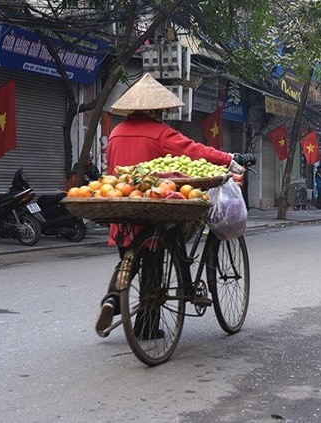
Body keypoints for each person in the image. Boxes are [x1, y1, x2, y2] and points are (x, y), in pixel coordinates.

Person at [95, 74, 245, 338]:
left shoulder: (116, 133)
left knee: (129, 262)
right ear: (156, 110)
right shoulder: (160, 133)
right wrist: (228, 159)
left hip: (123, 209)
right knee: (154, 265)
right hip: (154, 209)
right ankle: (146, 327)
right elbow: (194, 150)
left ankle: (112, 300)